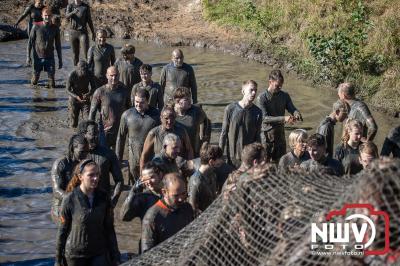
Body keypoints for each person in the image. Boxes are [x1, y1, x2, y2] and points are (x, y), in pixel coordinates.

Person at [55, 159, 120, 266]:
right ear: (81, 177)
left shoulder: (104, 197)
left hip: (99, 252)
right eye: (91, 175)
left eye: (97, 174)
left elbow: (109, 229)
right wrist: (58, 260)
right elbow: (62, 231)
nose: (96, 178)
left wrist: (115, 255)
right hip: (75, 254)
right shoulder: (70, 199)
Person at [115, 89, 160, 184]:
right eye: (136, 102)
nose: (138, 105)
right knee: (134, 187)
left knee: (151, 186)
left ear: (148, 101)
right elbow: (120, 138)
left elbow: (162, 138)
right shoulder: (127, 115)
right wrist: (118, 159)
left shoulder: (156, 115)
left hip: (151, 159)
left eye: (142, 102)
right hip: (133, 160)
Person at [257, 70, 302, 163]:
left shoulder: (284, 95)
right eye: (277, 86)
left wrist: (296, 113)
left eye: (281, 86)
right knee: (265, 163)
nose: (279, 88)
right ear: (270, 82)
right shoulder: (262, 98)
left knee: (282, 162)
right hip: (267, 136)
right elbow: (264, 118)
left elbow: (291, 108)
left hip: (280, 135)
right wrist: (284, 118)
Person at [141, 172, 194, 252]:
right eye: (176, 195)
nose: (181, 199)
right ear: (164, 192)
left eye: (183, 193)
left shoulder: (187, 208)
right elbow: (146, 252)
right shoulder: (152, 217)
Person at [78, 120, 124, 207]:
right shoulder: (79, 154)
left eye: (97, 134)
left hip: (103, 200)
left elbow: (119, 180)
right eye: (92, 134)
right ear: (85, 135)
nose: (95, 137)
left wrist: (114, 200)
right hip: (82, 200)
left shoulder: (109, 154)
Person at [219, 80, 262, 168]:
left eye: (255, 90)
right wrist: (219, 155)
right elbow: (223, 133)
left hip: (249, 157)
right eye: (251, 90)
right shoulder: (230, 109)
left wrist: (260, 155)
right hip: (232, 156)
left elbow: (257, 136)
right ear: (243, 91)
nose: (254, 93)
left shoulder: (258, 112)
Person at [140, 106, 194, 171]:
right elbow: (144, 154)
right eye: (166, 118)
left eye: (172, 118)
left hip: (178, 168)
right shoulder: (154, 133)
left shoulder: (181, 131)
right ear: (161, 118)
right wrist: (143, 173)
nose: (169, 121)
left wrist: (191, 167)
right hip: (160, 169)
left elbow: (189, 149)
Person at [50, 134, 88, 223]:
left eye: (87, 151)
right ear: (72, 149)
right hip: (60, 206)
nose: (85, 155)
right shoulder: (61, 164)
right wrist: (74, 199)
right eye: (82, 152)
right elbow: (56, 191)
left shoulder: (85, 164)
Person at [89, 66, 129, 149]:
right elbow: (92, 113)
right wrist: (91, 131)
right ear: (107, 76)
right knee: (105, 156)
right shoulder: (100, 91)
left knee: (117, 157)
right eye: (111, 75)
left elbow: (129, 109)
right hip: (104, 131)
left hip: (120, 130)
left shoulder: (124, 90)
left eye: (116, 75)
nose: (114, 78)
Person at [27, 7, 62, 88]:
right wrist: (28, 57)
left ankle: (51, 99)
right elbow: (30, 42)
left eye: (49, 15)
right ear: (42, 16)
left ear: (51, 16)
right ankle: (35, 96)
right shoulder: (36, 26)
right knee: (35, 81)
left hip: (50, 57)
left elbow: (58, 45)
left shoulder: (55, 28)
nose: (47, 17)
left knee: (52, 84)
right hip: (37, 57)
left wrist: (60, 60)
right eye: (45, 15)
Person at [174, 87, 210, 157]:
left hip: (194, 150)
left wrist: (204, 140)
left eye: (190, 98)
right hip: (177, 153)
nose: (190, 101)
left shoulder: (196, 111)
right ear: (178, 101)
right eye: (186, 99)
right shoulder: (171, 113)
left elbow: (206, 122)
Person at [188, 142, 223, 215]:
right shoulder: (196, 181)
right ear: (211, 162)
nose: (222, 161)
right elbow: (192, 207)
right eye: (220, 158)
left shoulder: (212, 174)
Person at [66, 60, 96, 128]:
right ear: (78, 69)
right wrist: (76, 97)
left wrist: (88, 94)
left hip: (85, 99)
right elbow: (67, 90)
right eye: (83, 70)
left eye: (86, 70)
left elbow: (94, 87)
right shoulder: (72, 75)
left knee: (87, 120)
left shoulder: (90, 73)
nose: (84, 72)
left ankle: (85, 136)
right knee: (73, 123)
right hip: (74, 99)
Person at [65, 0, 95, 66]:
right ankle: (76, 72)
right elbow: (66, 16)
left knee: (86, 54)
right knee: (75, 54)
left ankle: (88, 71)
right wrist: (73, 12)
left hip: (82, 32)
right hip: (72, 32)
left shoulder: (85, 6)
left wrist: (93, 32)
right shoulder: (70, 6)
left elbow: (89, 20)